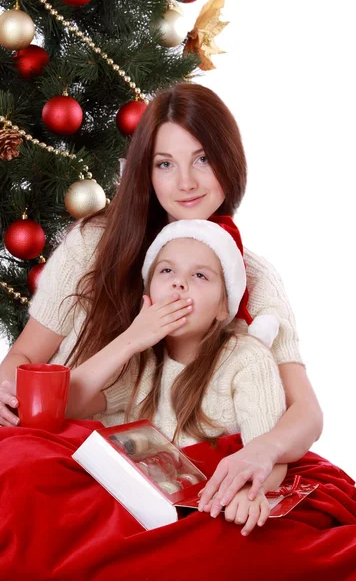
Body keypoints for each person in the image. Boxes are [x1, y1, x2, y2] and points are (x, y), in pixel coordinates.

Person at [0, 83, 322, 515]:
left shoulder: (253, 276)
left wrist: (262, 451)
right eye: (165, 164)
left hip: (190, 468)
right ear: (146, 173)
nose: (186, 183)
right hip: (76, 442)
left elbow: (305, 410)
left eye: (203, 159)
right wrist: (6, 391)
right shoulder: (95, 244)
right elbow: (25, 356)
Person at [66, 216, 288, 535]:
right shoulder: (140, 359)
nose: (178, 283)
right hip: (144, 508)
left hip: (212, 504)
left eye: (199, 275)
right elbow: (68, 404)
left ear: (224, 306)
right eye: (167, 270)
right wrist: (130, 339)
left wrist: (246, 492)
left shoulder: (247, 358)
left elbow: (269, 452)